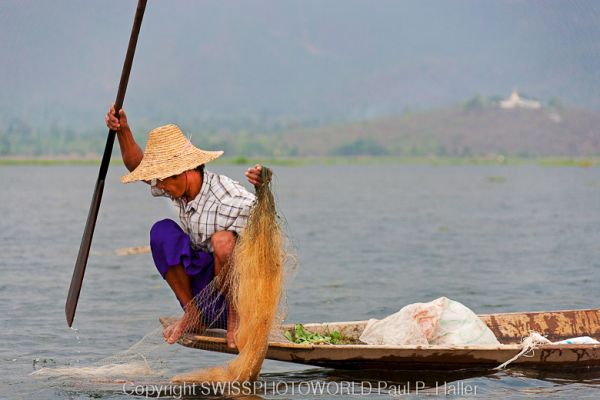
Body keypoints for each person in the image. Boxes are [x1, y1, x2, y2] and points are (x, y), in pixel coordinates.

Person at [105, 104, 266, 348]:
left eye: (165, 180)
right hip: (204, 294)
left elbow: (264, 223)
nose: (161, 187)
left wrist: (263, 185)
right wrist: (123, 130)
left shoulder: (229, 197)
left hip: (239, 295)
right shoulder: (175, 186)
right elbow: (137, 166)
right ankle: (194, 314)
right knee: (162, 231)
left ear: (185, 171)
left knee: (224, 241)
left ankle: (235, 320)